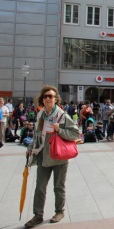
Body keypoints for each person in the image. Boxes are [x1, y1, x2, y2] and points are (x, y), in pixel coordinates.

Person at [24, 85, 79, 228]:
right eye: (45, 96)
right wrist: (31, 148)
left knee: (58, 187)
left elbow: (75, 134)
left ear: (56, 99)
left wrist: (59, 129)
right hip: (43, 156)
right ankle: (38, 215)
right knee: (40, 187)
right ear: (42, 99)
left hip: (59, 156)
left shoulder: (61, 115)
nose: (48, 98)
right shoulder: (40, 114)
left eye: (51, 96)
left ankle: (59, 211)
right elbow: (37, 135)